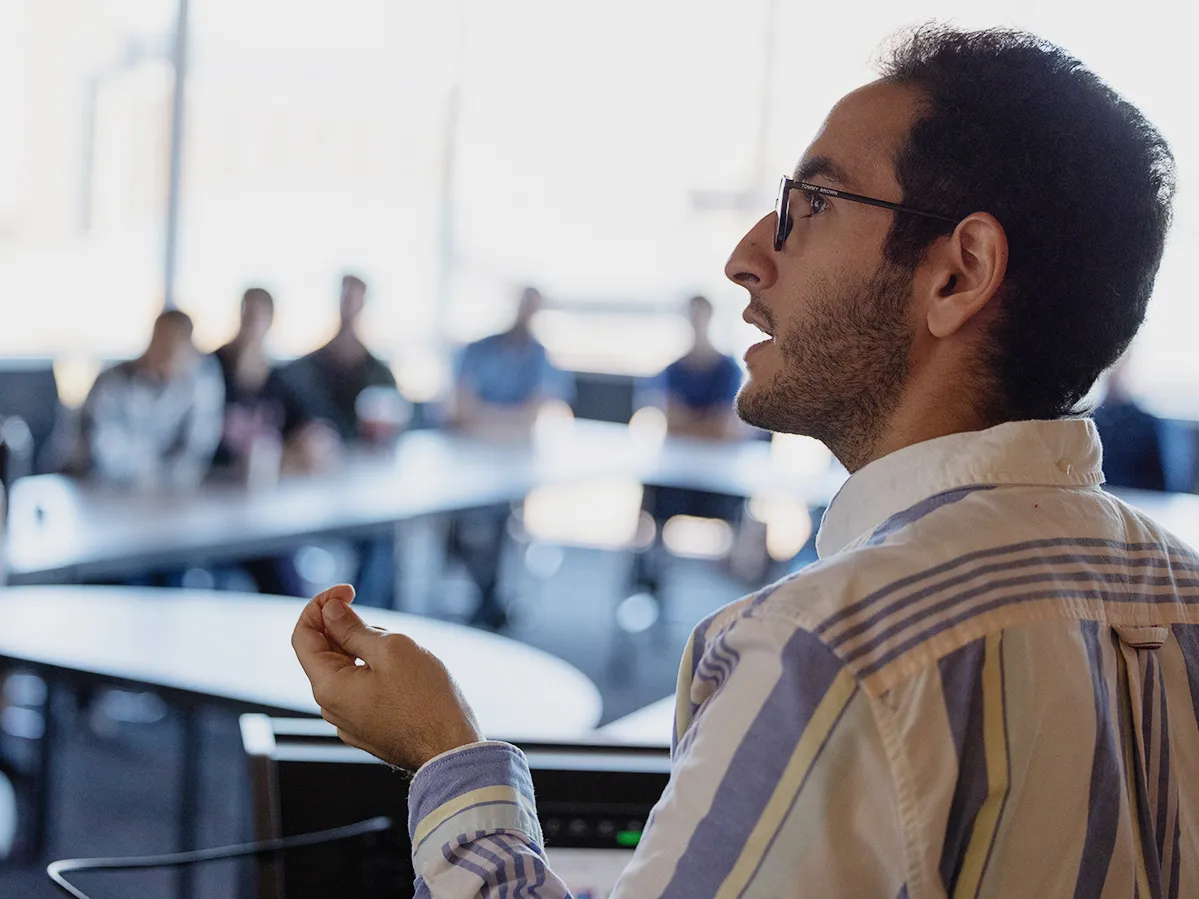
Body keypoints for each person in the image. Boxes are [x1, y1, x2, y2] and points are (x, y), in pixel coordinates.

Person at [294, 25, 1195, 898]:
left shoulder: (833, 651)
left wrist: (448, 754)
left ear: (958, 273)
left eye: (810, 204)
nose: (745, 257)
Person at [448, 285, 571, 629]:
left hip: (512, 465)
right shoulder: (477, 349)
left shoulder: (539, 357)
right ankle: (488, 599)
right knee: (460, 523)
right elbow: (459, 411)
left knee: (499, 519)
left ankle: (488, 598)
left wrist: (482, 419)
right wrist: (505, 420)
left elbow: (534, 417)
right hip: (463, 463)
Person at [73, 309, 224, 490]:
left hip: (164, 495)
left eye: (179, 344)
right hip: (92, 486)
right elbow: (105, 456)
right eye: (164, 342)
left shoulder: (199, 381)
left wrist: (165, 474)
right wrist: (159, 471)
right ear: (152, 341)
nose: (170, 352)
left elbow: (198, 451)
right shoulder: (112, 384)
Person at [273, 274, 399, 459]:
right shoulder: (302, 372)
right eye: (346, 297)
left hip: (368, 473)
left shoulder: (381, 374)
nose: (350, 306)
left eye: (355, 299)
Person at [211, 286, 284, 475]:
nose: (252, 324)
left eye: (259, 317)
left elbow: (309, 420)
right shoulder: (211, 367)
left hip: (259, 482)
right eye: (248, 315)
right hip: (214, 480)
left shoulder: (280, 379)